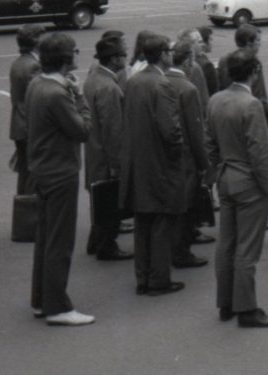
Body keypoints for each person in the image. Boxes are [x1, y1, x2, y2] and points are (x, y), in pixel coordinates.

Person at [205, 49, 268, 328]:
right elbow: (260, 153)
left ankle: (226, 303)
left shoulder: (215, 99)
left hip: (226, 178)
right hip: (249, 181)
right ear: (254, 72)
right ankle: (247, 308)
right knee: (247, 250)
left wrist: (214, 174)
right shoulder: (251, 104)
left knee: (227, 244)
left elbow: (210, 144)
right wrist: (267, 186)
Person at [26, 33, 94, 326]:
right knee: (60, 241)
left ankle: (42, 299)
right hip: (60, 171)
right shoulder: (57, 93)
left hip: (42, 168)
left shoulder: (37, 84)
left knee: (46, 238)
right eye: (75, 51)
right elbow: (83, 130)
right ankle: (57, 306)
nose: (78, 54)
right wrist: (79, 97)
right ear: (66, 59)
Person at [120, 34, 185, 298]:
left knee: (143, 221)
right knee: (160, 221)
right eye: (169, 50)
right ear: (162, 54)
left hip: (138, 160)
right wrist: (178, 155)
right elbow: (171, 131)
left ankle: (143, 276)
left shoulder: (134, 81)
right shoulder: (162, 84)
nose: (172, 53)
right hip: (159, 162)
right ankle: (159, 279)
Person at [83, 36, 132, 262]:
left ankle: (95, 241)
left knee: (99, 201)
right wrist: (117, 164)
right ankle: (106, 246)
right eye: (123, 55)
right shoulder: (110, 87)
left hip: (93, 151)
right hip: (105, 154)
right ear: (114, 60)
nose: (126, 58)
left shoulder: (93, 79)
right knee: (111, 203)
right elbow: (114, 130)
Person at [165, 36, 210, 269]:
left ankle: (172, 248)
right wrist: (204, 163)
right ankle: (182, 252)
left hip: (166, 157)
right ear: (189, 60)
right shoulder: (187, 88)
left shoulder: (161, 82)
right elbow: (196, 130)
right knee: (186, 206)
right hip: (186, 159)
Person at [8, 24, 44, 195]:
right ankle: (29, 217)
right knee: (31, 177)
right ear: (36, 41)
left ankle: (23, 214)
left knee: (25, 175)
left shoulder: (19, 62)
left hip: (19, 124)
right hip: (28, 126)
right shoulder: (33, 66)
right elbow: (37, 98)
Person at [217, 24, 268, 130]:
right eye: (258, 40)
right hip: (248, 113)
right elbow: (260, 94)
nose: (260, 44)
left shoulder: (224, 60)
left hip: (227, 112)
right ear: (249, 42)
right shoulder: (253, 63)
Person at [196, 26, 219, 97]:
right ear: (203, 42)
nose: (212, 42)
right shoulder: (207, 65)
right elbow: (213, 89)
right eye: (210, 39)